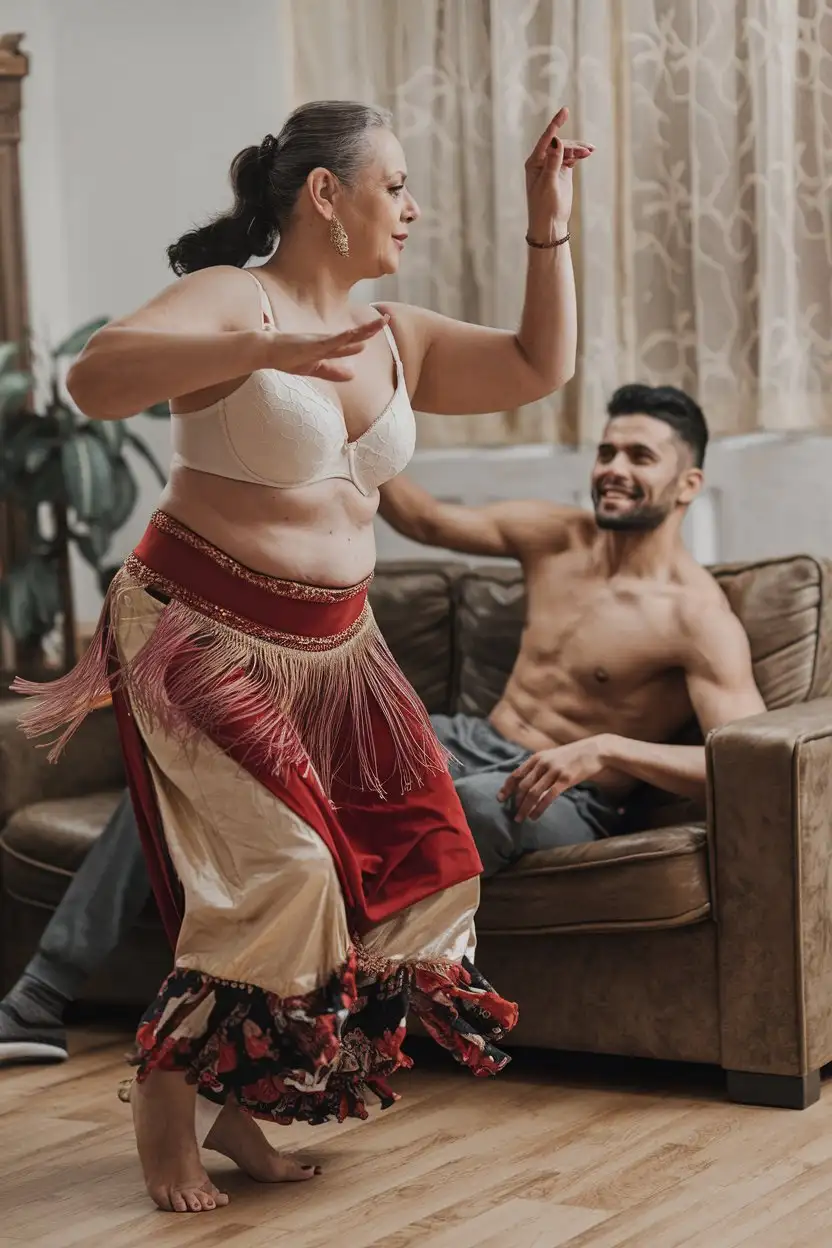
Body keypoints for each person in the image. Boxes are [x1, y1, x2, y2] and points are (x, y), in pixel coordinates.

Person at [11, 100, 592, 1214]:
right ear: (326, 195)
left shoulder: (394, 332)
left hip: (340, 651)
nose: (412, 209)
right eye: (397, 185)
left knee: (428, 864)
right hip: (201, 625)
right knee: (283, 874)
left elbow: (532, 365)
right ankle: (167, 1101)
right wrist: (258, 349)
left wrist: (546, 220)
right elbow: (94, 380)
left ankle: (247, 1106)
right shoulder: (239, 296)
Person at [377, 383, 767, 876]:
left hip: (572, 795)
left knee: (472, 805)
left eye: (639, 456)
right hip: (477, 741)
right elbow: (427, 521)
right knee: (356, 742)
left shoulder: (696, 617)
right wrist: (358, 425)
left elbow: (748, 762)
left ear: (688, 484)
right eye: (607, 452)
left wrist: (608, 748)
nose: (613, 470)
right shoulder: (556, 538)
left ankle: (396, 952)